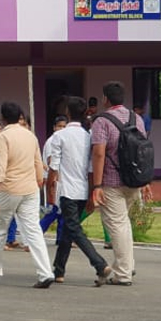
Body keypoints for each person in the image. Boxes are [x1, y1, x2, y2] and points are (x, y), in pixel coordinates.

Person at [0, 101, 56, 288]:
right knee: (34, 231)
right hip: (30, 189)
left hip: (8, 189)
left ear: (3, 118)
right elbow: (38, 162)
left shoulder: (3, 137)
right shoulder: (30, 136)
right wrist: (39, 181)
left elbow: (0, 167)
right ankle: (45, 273)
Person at [47, 98, 110, 285]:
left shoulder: (60, 136)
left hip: (67, 190)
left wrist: (50, 189)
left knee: (74, 229)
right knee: (68, 230)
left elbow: (53, 167)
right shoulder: (88, 136)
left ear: (67, 112)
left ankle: (99, 263)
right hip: (83, 189)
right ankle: (59, 270)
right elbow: (91, 168)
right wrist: (91, 192)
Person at [90, 82, 146, 286]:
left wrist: (96, 186)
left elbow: (99, 153)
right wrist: (145, 180)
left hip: (111, 181)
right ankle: (127, 266)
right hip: (134, 180)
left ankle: (123, 274)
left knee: (117, 226)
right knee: (123, 224)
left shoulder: (102, 121)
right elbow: (142, 149)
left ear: (105, 98)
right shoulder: (136, 118)